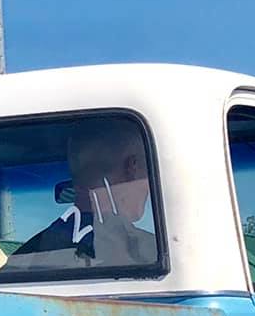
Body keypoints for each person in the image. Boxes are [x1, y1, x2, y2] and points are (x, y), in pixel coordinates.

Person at [11, 116, 158, 270]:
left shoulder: (23, 259)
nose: (149, 186)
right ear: (133, 167)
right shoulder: (150, 254)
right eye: (148, 172)